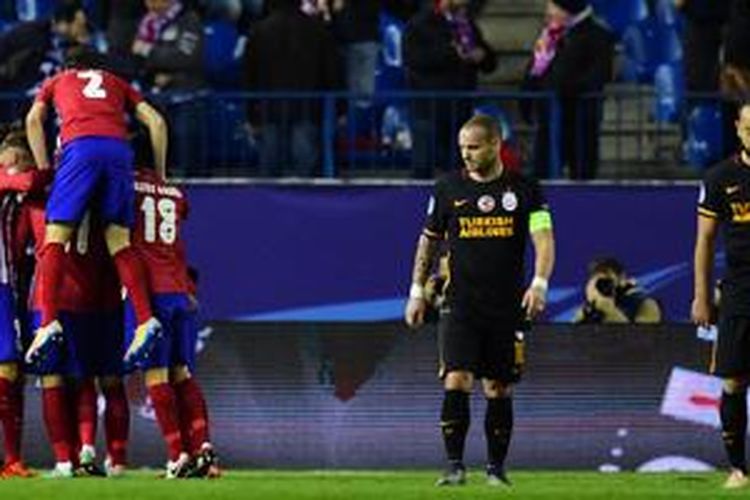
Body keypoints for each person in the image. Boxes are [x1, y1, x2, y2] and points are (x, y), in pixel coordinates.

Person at [404, 114, 555, 486]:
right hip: (459, 304)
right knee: (456, 379)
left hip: (505, 307)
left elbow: (544, 239)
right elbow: (428, 240)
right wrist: (416, 291)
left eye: (473, 147)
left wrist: (539, 283)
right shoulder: (447, 188)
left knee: (498, 387)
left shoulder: (524, 189)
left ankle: (496, 470)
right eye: (462, 148)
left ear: (495, 145)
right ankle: (454, 467)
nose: (466, 155)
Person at [23, 46, 167, 370]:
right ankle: (146, 319)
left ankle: (48, 323)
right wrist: (160, 175)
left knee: (55, 238)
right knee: (120, 241)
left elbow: (34, 120)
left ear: (70, 67)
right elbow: (156, 123)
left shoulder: (59, 80)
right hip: (119, 152)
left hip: (81, 149)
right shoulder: (117, 82)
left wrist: (46, 169)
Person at [126, 136, 218, 478]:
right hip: (179, 290)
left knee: (157, 375)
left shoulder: (127, 188)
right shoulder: (176, 193)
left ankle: (177, 455)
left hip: (151, 294)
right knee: (183, 373)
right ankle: (204, 448)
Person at [692, 101, 750, 489]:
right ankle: (738, 469)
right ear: (738, 128)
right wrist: (701, 295)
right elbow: (704, 243)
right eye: (749, 127)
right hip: (740, 293)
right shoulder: (719, 177)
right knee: (732, 381)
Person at [403, 0, 496, 178]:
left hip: (459, 108)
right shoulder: (420, 23)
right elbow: (414, 59)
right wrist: (452, 54)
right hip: (428, 106)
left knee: (457, 167)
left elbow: (488, 61)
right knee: (424, 165)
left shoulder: (466, 23)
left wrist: (482, 56)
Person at [522, 0, 614, 179]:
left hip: (580, 119)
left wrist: (563, 90)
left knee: (581, 175)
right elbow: (535, 69)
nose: (548, 12)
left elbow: (600, 74)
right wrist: (526, 99)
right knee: (543, 174)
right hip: (549, 118)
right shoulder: (549, 35)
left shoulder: (598, 35)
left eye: (553, 7)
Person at [573, 257, 662, 324]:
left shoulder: (647, 304)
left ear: (621, 279)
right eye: (599, 282)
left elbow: (641, 342)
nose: (604, 286)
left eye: (608, 281)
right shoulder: (587, 311)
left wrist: (610, 311)